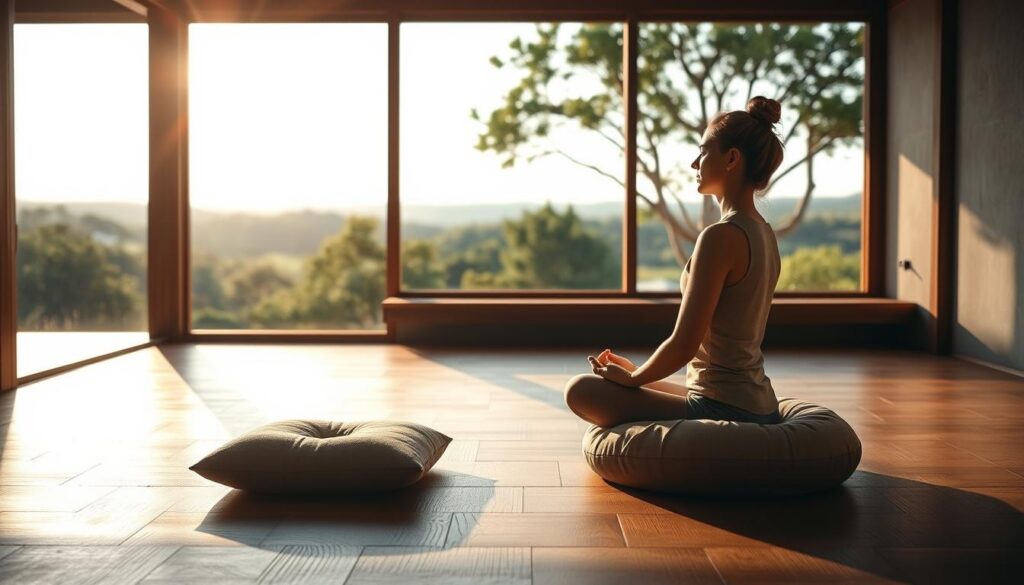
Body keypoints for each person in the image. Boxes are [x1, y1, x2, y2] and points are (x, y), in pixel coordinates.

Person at [564, 95, 786, 428]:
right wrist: (634, 372)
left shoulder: (721, 237)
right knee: (614, 380)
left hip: (726, 409)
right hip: (755, 402)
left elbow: (684, 345)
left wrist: (633, 380)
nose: (695, 164)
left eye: (703, 151)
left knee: (579, 390)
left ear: (731, 159)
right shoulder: (764, 233)